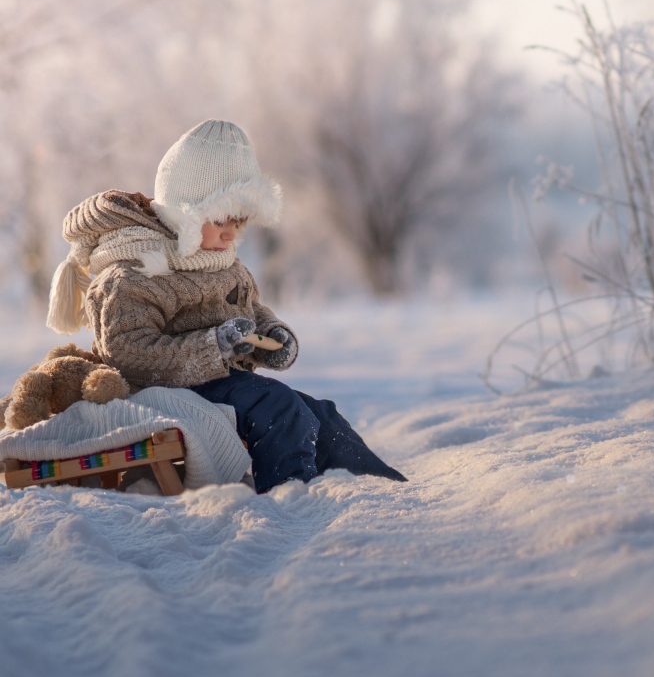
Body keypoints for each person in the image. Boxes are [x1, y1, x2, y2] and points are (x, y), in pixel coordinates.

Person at [46, 119, 406, 493]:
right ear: (184, 213)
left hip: (216, 382)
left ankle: (379, 487)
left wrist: (272, 334)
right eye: (219, 219)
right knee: (277, 406)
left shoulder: (219, 261)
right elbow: (126, 352)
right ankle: (292, 495)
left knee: (319, 413)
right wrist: (213, 345)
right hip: (160, 390)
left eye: (239, 221)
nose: (230, 233)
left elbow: (251, 309)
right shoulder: (133, 273)